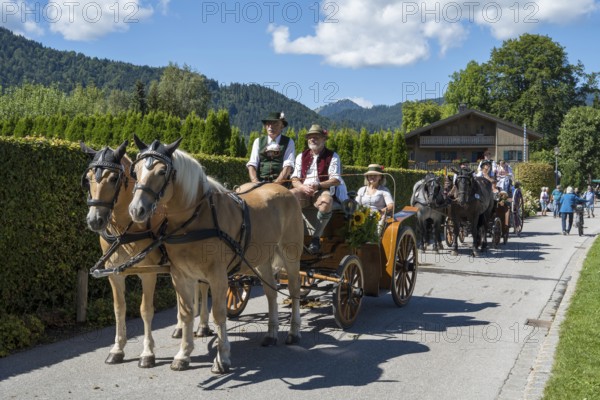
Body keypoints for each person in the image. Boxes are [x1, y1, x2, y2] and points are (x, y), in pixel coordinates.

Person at [290, 124, 348, 254]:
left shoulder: (333, 156)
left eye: (316, 137)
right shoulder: (301, 156)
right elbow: (294, 179)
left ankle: (316, 238)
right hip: (303, 190)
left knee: (326, 201)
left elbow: (336, 179)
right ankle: (290, 234)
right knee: (288, 197)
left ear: (324, 139)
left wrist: (318, 185)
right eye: (310, 137)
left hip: (322, 189)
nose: (312, 140)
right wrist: (302, 187)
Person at [246, 111, 295, 185]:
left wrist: (276, 184)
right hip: (260, 182)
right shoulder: (258, 141)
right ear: (265, 126)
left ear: (282, 126)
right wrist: (255, 182)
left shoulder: (289, 142)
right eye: (268, 124)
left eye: (275, 124)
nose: (270, 126)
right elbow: (252, 164)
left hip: (281, 184)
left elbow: (288, 166)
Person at [356, 164, 394, 233]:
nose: (372, 177)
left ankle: (376, 241)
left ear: (380, 177)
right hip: (363, 217)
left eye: (375, 175)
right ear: (367, 177)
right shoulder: (361, 190)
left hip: (379, 218)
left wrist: (380, 212)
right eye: (370, 175)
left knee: (377, 230)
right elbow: (356, 205)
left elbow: (391, 205)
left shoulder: (384, 190)